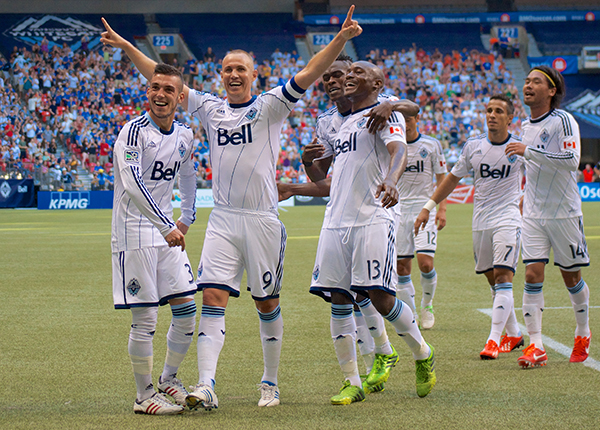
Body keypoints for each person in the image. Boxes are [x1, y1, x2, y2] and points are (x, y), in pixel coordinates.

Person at [101, 7, 363, 409]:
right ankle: (205, 384)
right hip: (222, 219)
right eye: (227, 69)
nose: (234, 74)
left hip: (261, 220)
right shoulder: (208, 107)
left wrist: (340, 39)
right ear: (220, 75)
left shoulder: (273, 105)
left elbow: (309, 72)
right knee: (212, 299)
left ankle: (270, 383)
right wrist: (125, 47)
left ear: (253, 75)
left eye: (241, 68)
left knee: (267, 303)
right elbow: (161, 77)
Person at [280, 61, 436, 405]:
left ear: (378, 83)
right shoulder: (340, 124)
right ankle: (352, 381)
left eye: (354, 74)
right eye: (342, 76)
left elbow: (399, 149)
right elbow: (323, 177)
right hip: (336, 221)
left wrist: (392, 180)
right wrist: (307, 163)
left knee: (379, 298)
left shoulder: (385, 112)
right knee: (339, 299)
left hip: (373, 218)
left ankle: (422, 353)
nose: (347, 79)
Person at [111, 63, 198, 415]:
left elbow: (188, 175)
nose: (159, 94)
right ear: (148, 91)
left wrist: (188, 217)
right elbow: (132, 183)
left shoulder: (185, 135)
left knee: (187, 310)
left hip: (167, 235)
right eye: (154, 87)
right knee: (145, 319)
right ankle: (143, 394)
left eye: (167, 89)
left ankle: (168, 380)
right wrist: (167, 225)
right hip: (135, 234)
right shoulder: (132, 132)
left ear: (180, 96)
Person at [415, 94, 525, 359]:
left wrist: (527, 211)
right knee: (492, 279)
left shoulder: (521, 149)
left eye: (498, 111)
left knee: (503, 276)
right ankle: (514, 332)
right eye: (488, 110)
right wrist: (429, 207)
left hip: (508, 218)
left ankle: (493, 341)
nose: (492, 115)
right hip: (481, 221)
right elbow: (452, 179)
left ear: (510, 118)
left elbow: (537, 181)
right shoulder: (473, 146)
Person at [505, 66, 590, 368]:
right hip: (534, 214)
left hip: (564, 213)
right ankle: (536, 345)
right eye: (526, 81)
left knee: (571, 277)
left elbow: (571, 161)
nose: (528, 85)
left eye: (536, 81)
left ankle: (582, 333)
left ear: (552, 90)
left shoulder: (563, 120)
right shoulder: (526, 126)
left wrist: (528, 151)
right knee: (531, 275)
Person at [395, 114, 448, 330]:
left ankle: (427, 305)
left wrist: (441, 209)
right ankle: (411, 314)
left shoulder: (431, 145)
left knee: (425, 263)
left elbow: (442, 178)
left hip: (424, 208)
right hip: (397, 209)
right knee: (401, 267)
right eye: (400, 120)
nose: (405, 124)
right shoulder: (392, 145)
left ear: (416, 119)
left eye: (408, 119)